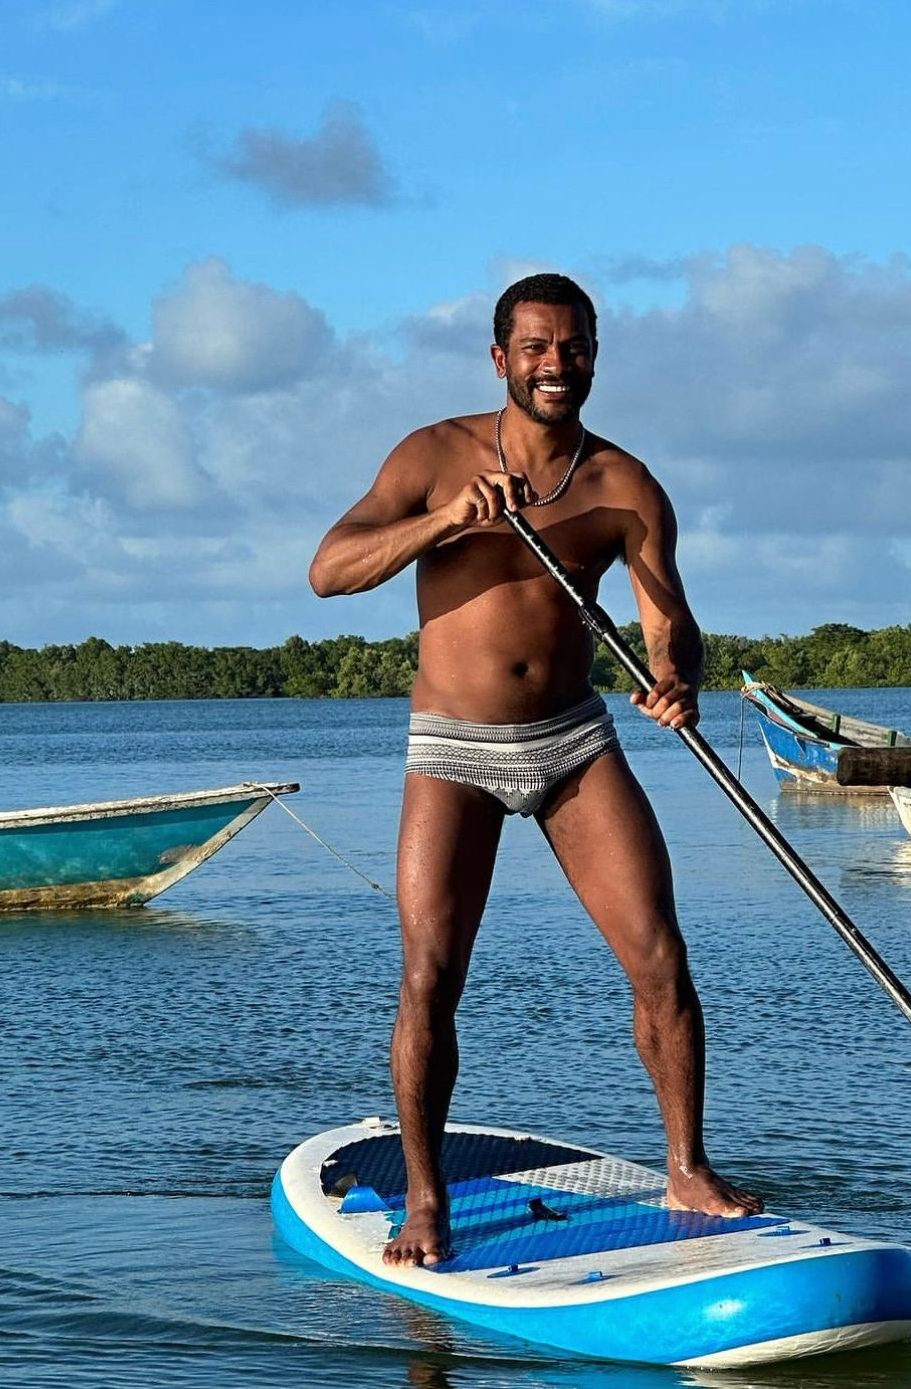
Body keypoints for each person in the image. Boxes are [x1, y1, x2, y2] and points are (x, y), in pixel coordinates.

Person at [309, 272, 762, 1268]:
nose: (558, 363)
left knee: (660, 960)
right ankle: (426, 1202)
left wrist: (678, 678)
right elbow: (329, 568)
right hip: (453, 748)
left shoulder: (624, 485)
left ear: (596, 354)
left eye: (577, 346)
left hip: (571, 740)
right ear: (500, 356)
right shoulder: (433, 454)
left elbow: (667, 618)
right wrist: (443, 522)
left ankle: (687, 1166)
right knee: (431, 975)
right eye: (539, 347)